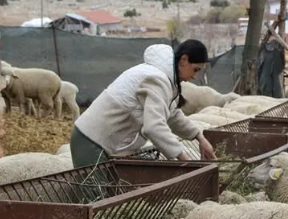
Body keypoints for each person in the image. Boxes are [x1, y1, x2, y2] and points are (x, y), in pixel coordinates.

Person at [70, 39, 218, 168]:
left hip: (98, 140)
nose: (195, 76)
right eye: (195, 69)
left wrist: (200, 137)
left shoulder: (162, 78)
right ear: (184, 60)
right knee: (96, 197)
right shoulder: (157, 79)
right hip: (92, 141)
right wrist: (184, 159)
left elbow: (171, 114)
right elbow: (153, 127)